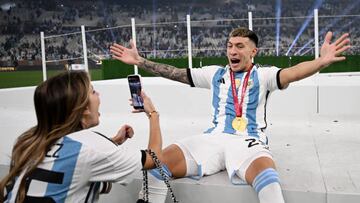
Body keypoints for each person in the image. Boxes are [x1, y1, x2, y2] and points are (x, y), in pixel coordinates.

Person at [110, 27, 350, 203]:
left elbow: (293, 73)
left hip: (248, 141)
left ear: (253, 51)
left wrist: (320, 61)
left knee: (269, 181)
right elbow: (176, 73)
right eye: (229, 46)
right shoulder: (215, 74)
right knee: (156, 164)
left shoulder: (264, 76)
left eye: (239, 46)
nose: (232, 51)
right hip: (212, 138)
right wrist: (139, 61)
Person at [0, 71, 163, 202]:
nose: (98, 94)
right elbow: (155, 159)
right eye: (93, 91)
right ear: (83, 108)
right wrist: (153, 115)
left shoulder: (30, 142)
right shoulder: (93, 147)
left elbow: (70, 159)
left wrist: (113, 142)